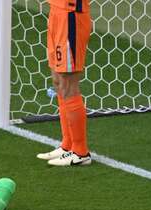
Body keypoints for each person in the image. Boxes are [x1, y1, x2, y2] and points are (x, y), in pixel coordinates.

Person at [36, 0, 93, 166]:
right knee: (58, 81)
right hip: (57, 11)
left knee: (68, 83)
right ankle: (67, 146)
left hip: (71, 14)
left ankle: (81, 152)